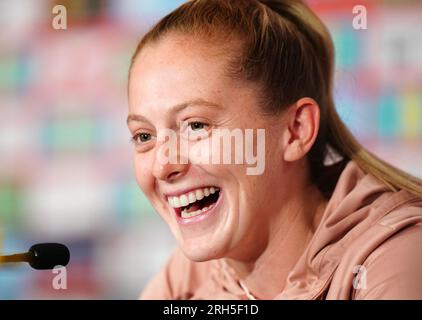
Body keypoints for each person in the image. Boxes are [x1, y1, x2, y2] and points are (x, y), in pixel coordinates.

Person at [126, 0, 422, 299]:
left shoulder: (397, 261)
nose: (162, 166)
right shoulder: (188, 277)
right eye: (143, 136)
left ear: (295, 131)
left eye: (196, 126)